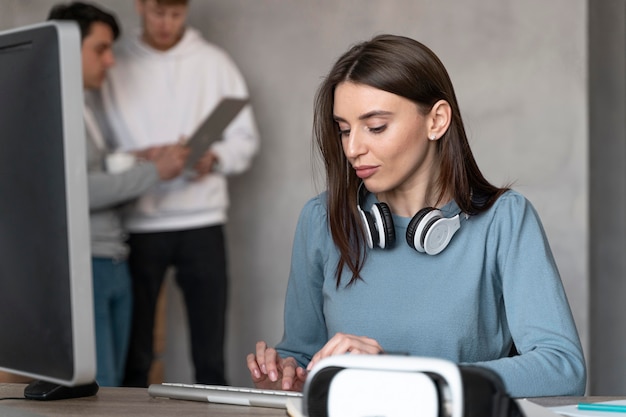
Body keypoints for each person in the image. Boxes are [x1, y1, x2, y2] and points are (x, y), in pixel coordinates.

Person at [247, 34, 586, 398]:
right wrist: (285, 375)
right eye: (344, 130)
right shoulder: (321, 221)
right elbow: (302, 353)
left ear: (437, 120)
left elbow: (561, 368)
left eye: (375, 126)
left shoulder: (504, 220)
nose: (353, 148)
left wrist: (409, 378)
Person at [99, 0, 260, 386]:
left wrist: (215, 159)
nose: (166, 23)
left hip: (202, 222)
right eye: (157, 13)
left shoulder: (214, 62)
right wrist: (145, 160)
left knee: (209, 354)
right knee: (135, 353)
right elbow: (96, 150)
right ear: (140, 6)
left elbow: (247, 139)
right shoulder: (113, 64)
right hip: (138, 224)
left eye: (175, 13)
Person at [47, 2, 189, 387]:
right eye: (100, 49)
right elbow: (75, 188)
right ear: (65, 47)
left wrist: (135, 159)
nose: (110, 61)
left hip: (111, 255)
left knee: (115, 382)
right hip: (86, 261)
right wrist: (154, 172)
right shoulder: (51, 109)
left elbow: (90, 167)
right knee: (101, 386)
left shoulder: (83, 104)